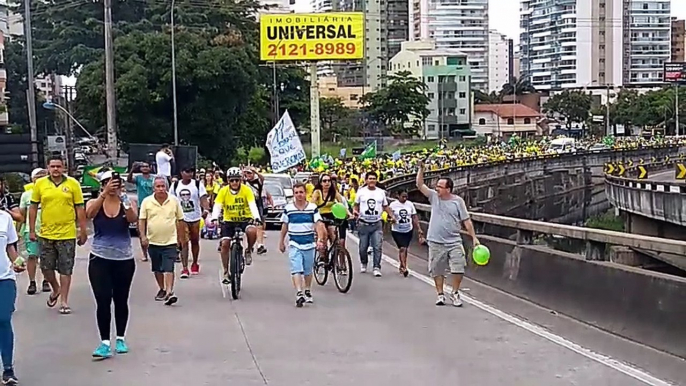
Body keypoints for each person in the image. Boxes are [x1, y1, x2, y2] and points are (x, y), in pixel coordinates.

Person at [85, 170, 138, 358]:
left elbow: (133, 219)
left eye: (116, 183)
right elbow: (89, 214)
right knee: (103, 300)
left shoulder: (126, 202)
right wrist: (103, 194)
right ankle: (105, 342)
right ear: (102, 184)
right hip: (99, 258)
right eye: (108, 182)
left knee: (121, 299)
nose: (113, 186)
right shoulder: (95, 202)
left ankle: (121, 338)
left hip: (124, 259)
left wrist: (123, 199)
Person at [29, 156, 87, 315]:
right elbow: (33, 207)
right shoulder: (40, 184)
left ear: (64, 168)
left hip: (67, 233)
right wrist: (32, 230)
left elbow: (80, 208)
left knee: (65, 268)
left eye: (58, 166)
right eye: (52, 166)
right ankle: (56, 289)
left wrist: (83, 230)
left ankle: (64, 301)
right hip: (46, 233)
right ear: (48, 167)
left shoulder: (72, 184)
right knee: (46, 268)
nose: (55, 169)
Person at [416, 160, 479, 307]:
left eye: (440, 187)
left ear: (448, 189)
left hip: (454, 241)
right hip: (436, 241)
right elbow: (420, 185)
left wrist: (474, 237)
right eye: (436, 186)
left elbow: (466, 220)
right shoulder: (433, 197)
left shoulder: (458, 202)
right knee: (437, 269)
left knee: (459, 267)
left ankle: (455, 292)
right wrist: (421, 169)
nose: (437, 189)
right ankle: (440, 294)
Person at [138, 176, 184, 306]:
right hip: (153, 240)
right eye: (158, 186)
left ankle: (170, 291)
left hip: (170, 240)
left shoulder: (174, 201)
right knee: (157, 268)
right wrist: (143, 236)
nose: (160, 189)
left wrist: (181, 238)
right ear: (153, 188)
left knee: (169, 266)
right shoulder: (147, 202)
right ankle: (162, 288)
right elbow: (142, 220)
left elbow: (180, 220)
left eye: (163, 186)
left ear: (166, 187)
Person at [278, 183, 326, 307]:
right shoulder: (288, 208)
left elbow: (318, 224)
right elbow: (285, 225)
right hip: (294, 243)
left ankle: (307, 290)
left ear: (305, 193)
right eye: (296, 193)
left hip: (309, 243)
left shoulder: (312, 207)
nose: (299, 195)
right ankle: (299, 293)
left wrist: (320, 239)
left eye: (301, 192)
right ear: (293, 194)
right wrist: (281, 241)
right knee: (296, 268)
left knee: (307, 270)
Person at [211, 167, 261, 284]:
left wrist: (256, 217)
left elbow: (252, 204)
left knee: (252, 231)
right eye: (232, 180)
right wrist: (214, 217)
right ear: (228, 181)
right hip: (229, 220)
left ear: (241, 180)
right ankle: (225, 271)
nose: (234, 183)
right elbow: (218, 205)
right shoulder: (223, 191)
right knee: (225, 244)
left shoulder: (246, 190)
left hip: (245, 219)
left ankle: (248, 250)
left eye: (237, 180)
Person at [353, 173, 395, 277]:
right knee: (363, 247)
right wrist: (355, 211)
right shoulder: (361, 192)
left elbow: (385, 206)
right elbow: (356, 205)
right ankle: (364, 262)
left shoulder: (381, 192)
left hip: (377, 223)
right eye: (370, 179)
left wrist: (392, 215)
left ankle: (376, 267)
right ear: (366, 180)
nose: (372, 180)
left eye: (374, 179)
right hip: (363, 223)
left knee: (377, 246)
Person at [170, 167, 209, 278]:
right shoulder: (176, 185)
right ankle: (185, 268)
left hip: (195, 217)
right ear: (182, 172)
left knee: (195, 241)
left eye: (191, 172)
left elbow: (203, 198)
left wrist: (205, 209)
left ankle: (195, 263)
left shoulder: (197, 184)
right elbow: (171, 200)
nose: (189, 174)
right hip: (182, 218)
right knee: (184, 243)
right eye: (187, 171)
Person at [0, 209, 25, 385]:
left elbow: (10, 246)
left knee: (3, 319)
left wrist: (17, 261)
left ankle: (8, 370)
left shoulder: (5, 218)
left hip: (4, 277)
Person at [19, 168, 50, 295]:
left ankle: (46, 280)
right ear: (33, 179)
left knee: (46, 257)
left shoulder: (50, 193)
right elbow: (22, 213)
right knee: (32, 256)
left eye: (44, 176)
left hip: (48, 230)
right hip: (30, 230)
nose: (41, 178)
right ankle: (32, 282)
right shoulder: (26, 195)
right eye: (38, 176)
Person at [310, 174, 350, 251]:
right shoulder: (317, 192)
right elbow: (313, 205)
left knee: (334, 236)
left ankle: (334, 255)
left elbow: (342, 204)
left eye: (329, 181)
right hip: (320, 216)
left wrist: (348, 213)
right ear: (321, 183)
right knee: (323, 237)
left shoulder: (334, 192)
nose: (327, 183)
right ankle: (322, 257)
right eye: (324, 181)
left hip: (331, 216)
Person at [389, 190, 421, 277]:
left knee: (405, 248)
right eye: (403, 196)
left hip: (408, 230)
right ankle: (404, 267)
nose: (404, 198)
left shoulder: (410, 204)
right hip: (397, 230)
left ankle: (402, 265)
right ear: (398, 196)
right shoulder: (393, 205)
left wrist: (419, 229)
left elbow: (414, 216)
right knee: (402, 248)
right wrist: (391, 219)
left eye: (406, 197)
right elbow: (388, 214)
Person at [127, 161, 154, 261]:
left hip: (152, 206)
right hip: (141, 206)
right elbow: (129, 180)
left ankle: (152, 251)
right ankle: (144, 253)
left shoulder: (154, 178)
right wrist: (132, 170)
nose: (145, 168)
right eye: (143, 167)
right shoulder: (138, 178)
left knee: (152, 230)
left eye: (147, 166)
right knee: (141, 230)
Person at [243, 167, 267, 255]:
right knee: (248, 225)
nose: (249, 175)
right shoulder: (244, 182)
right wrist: (243, 172)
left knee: (259, 224)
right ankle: (250, 244)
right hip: (246, 204)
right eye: (247, 174)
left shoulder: (258, 182)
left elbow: (262, 178)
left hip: (257, 202)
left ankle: (260, 245)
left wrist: (255, 171)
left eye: (250, 173)